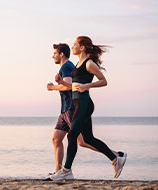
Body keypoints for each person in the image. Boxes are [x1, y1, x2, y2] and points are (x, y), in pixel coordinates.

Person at [50, 36, 127, 180]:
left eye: (74, 45)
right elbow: (74, 86)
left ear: (82, 47)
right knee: (88, 138)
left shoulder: (89, 63)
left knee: (72, 135)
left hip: (84, 104)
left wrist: (88, 85)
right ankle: (116, 158)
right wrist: (61, 83)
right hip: (79, 103)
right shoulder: (78, 64)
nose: (72, 47)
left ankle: (66, 170)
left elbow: (104, 81)